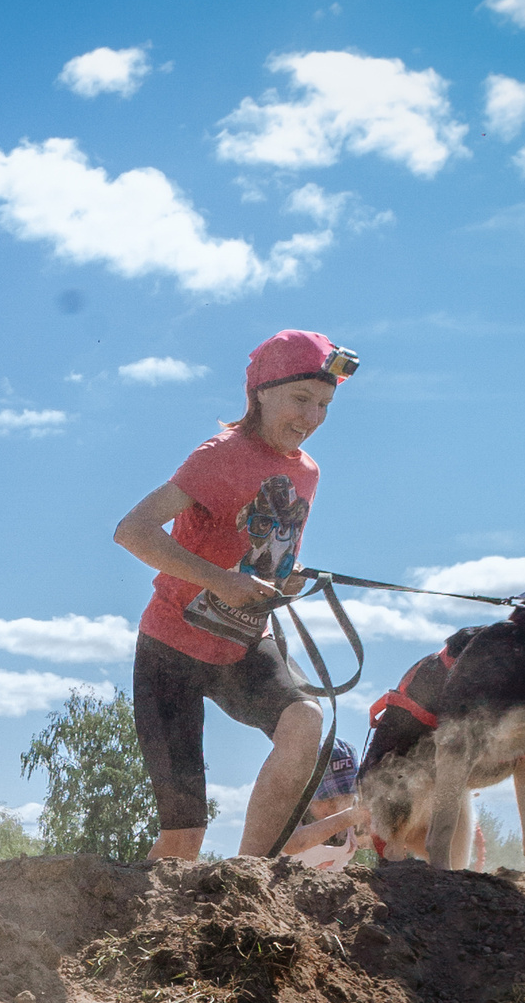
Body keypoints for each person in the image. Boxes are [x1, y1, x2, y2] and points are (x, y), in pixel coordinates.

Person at [115, 329, 358, 865]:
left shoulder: (307, 473)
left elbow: (269, 555)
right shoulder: (219, 455)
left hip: (246, 644)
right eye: (301, 399)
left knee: (305, 723)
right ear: (261, 393)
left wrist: (285, 580)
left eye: (324, 404)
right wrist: (221, 580)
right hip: (171, 651)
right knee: (184, 843)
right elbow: (133, 531)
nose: (313, 416)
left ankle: (250, 877)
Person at [278, 740, 366, 870]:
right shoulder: (290, 813)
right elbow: (291, 844)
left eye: (345, 797)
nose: (337, 807)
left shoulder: (356, 815)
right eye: (328, 800)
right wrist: (348, 818)